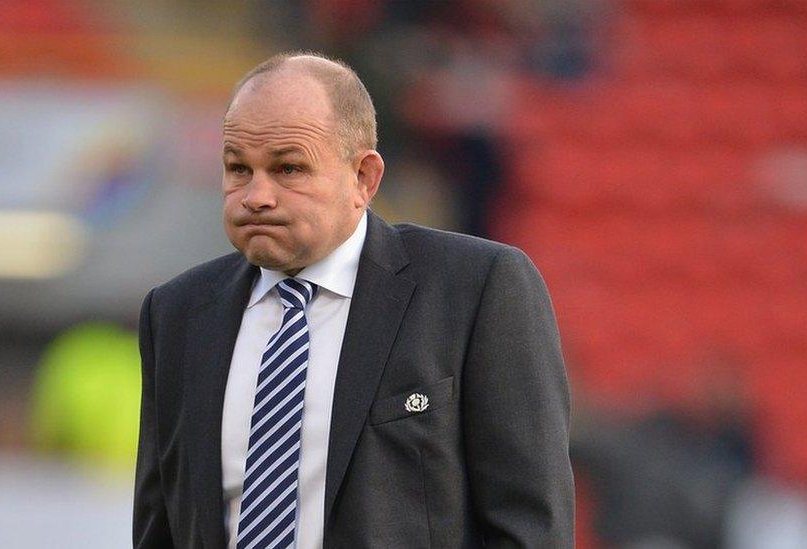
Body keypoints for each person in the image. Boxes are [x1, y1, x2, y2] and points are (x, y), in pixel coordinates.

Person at [133, 52, 573, 548]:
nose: (256, 195)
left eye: (289, 168)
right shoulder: (177, 313)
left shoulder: (475, 289)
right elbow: (160, 527)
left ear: (364, 177)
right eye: (238, 168)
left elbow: (531, 529)